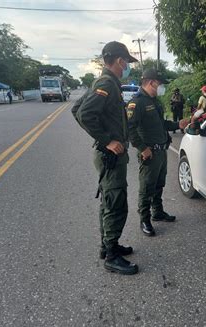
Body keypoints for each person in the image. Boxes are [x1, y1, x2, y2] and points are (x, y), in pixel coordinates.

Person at [77, 41, 139, 275]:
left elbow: (77, 110)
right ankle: (111, 256)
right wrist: (107, 141)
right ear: (119, 61)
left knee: (109, 200)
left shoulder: (106, 82)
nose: (127, 67)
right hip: (110, 156)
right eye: (126, 63)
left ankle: (107, 246)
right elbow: (84, 114)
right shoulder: (106, 83)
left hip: (109, 156)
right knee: (115, 203)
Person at [127, 68, 188, 236]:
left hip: (161, 151)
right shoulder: (137, 102)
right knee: (147, 187)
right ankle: (145, 219)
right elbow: (130, 129)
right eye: (160, 84)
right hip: (149, 153)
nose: (162, 87)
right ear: (151, 82)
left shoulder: (155, 101)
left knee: (159, 183)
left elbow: (161, 124)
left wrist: (178, 125)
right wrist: (142, 148)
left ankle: (157, 212)